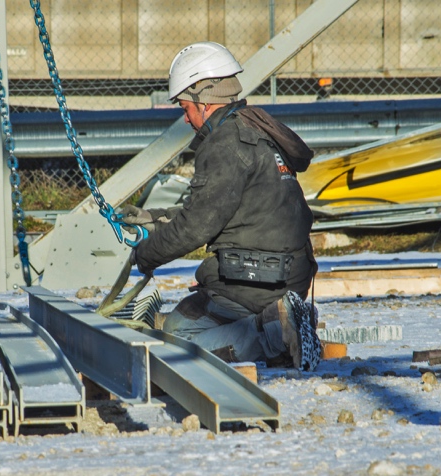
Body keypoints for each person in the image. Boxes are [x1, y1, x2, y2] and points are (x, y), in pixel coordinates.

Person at [122, 41, 321, 370]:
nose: (185, 119)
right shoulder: (257, 128)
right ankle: (282, 321)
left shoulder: (225, 144)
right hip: (287, 274)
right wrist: (153, 219)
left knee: (177, 339)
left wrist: (145, 254)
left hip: (254, 284)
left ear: (203, 99)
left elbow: (196, 226)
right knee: (176, 323)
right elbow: (215, 208)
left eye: (185, 107)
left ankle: (274, 330)